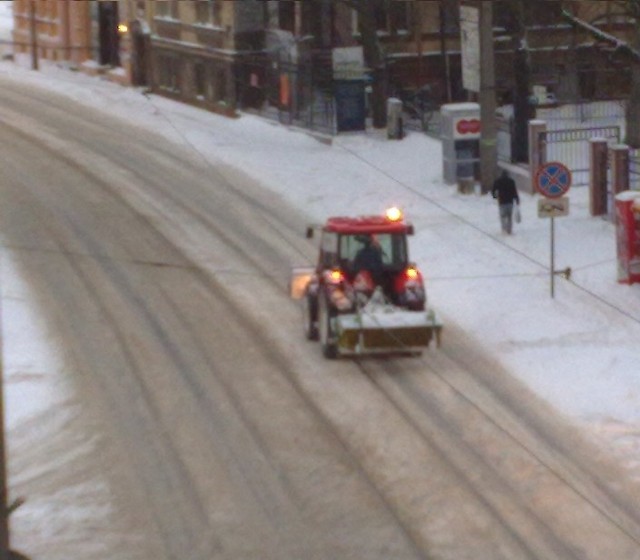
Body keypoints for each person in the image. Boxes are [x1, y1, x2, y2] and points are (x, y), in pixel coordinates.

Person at [491, 169, 520, 234]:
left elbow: (493, 190)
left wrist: (494, 196)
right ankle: (509, 230)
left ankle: (504, 228)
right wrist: (517, 199)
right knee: (509, 216)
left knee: (503, 216)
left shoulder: (498, 181)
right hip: (510, 201)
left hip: (502, 201)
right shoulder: (511, 181)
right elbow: (514, 191)